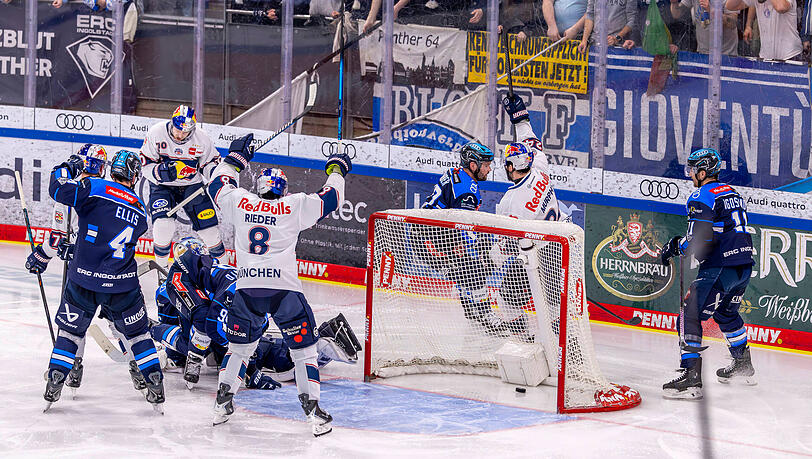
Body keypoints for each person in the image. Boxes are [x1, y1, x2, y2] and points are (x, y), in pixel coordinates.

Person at [206, 133, 352, 435]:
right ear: (282, 189)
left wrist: (236, 159)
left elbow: (217, 185)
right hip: (285, 292)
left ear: (259, 186)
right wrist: (336, 169)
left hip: (247, 291)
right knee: (304, 353)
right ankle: (313, 412)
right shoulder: (295, 205)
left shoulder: (241, 202)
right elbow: (332, 198)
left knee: (239, 350)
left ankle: (222, 404)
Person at [29, 149, 164, 413]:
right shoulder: (139, 208)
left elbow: (58, 189)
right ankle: (153, 379)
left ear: (110, 169)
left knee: (70, 331)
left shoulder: (91, 187)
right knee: (137, 333)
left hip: (84, 279)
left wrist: (66, 166)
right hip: (123, 283)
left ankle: (58, 375)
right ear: (134, 175)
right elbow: (125, 231)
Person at [659, 148, 756, 400]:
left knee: (688, 314)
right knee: (726, 313)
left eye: (692, 169)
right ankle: (743, 364)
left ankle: (691, 376)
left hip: (720, 265)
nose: (689, 174)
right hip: (744, 264)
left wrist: (674, 246)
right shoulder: (732, 193)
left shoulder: (701, 195)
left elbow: (698, 240)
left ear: (703, 172)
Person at [139, 105, 226, 271]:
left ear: (192, 129)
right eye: (177, 130)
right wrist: (160, 172)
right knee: (163, 226)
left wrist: (217, 176)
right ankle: (162, 272)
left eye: (184, 132)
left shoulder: (202, 139)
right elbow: (145, 165)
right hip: (162, 186)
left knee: (210, 231)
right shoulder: (156, 133)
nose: (179, 135)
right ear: (172, 122)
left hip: (192, 186)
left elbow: (209, 165)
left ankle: (224, 272)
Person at [149, 237, 236, 388]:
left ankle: (181, 353)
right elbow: (206, 320)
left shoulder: (211, 272)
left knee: (204, 337)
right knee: (201, 325)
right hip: (174, 300)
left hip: (191, 302)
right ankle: (148, 328)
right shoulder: (179, 276)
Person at [725, 0, 803, 61]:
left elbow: (781, 7)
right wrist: (748, 25)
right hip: (766, 56)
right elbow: (730, 5)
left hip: (790, 55)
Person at [670, 0, 739, 56]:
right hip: (703, 51)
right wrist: (674, 3)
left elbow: (733, 23)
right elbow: (677, 14)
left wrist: (712, 11)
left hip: (727, 53)